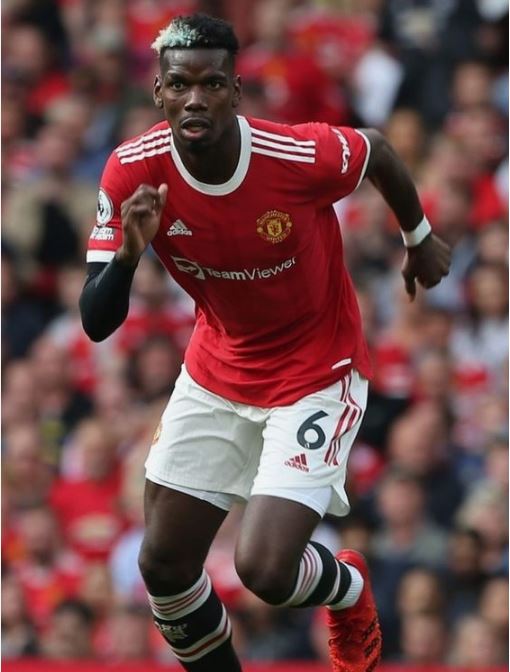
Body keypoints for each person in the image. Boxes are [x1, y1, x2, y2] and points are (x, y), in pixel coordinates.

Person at [79, 13, 451, 672]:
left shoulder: (295, 155)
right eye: (180, 86)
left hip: (317, 369)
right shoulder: (131, 172)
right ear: (159, 94)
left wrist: (418, 239)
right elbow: (96, 321)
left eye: (212, 84)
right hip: (218, 367)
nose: (196, 99)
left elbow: (378, 152)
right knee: (162, 566)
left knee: (265, 569)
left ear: (235, 92)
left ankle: (350, 589)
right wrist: (129, 257)